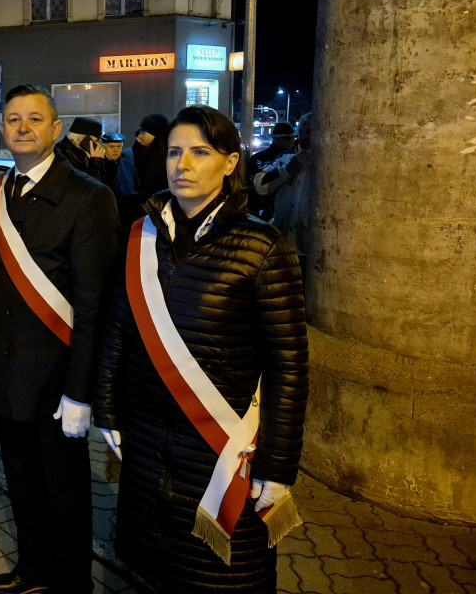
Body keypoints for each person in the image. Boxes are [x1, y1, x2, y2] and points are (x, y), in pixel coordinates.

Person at [94, 105, 308, 594]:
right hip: (147, 442)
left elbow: (289, 366)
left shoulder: (263, 246)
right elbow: (117, 328)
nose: (182, 165)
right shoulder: (140, 236)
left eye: (199, 152)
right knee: (155, 571)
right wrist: (107, 409)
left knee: (220, 578)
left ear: (231, 162)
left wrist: (278, 466)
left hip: (220, 447)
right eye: (173, 152)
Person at [0, 84, 120, 594]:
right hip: (5, 367)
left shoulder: (89, 197)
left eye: (35, 118)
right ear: (2, 129)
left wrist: (83, 393)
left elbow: (96, 306)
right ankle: (34, 569)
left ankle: (71, 583)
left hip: (56, 377)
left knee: (64, 492)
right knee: (20, 479)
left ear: (56, 129)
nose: (23, 127)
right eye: (13, 119)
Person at [254, 113, 313, 283]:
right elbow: (260, 185)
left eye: (309, 132)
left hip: (309, 248)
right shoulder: (285, 158)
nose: (304, 138)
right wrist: (287, 170)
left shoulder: (327, 162)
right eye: (301, 132)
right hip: (283, 243)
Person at [246, 121, 297, 220]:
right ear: (275, 139)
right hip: (264, 209)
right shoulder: (259, 158)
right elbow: (255, 186)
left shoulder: (296, 157)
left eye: (292, 138)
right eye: (286, 138)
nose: (291, 141)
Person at [55, 117, 107, 183]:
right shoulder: (63, 156)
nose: (99, 145)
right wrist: (95, 167)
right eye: (96, 141)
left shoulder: (82, 154)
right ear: (83, 139)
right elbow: (88, 188)